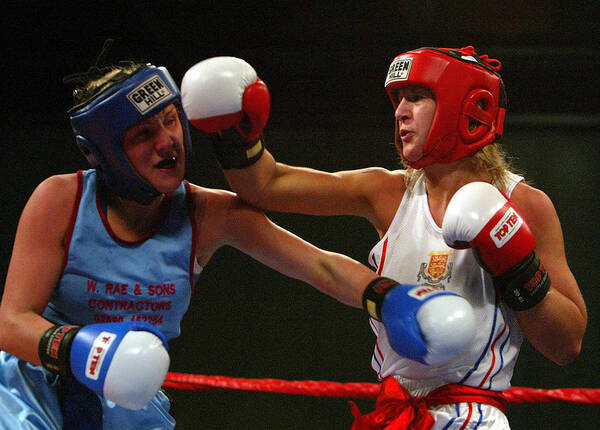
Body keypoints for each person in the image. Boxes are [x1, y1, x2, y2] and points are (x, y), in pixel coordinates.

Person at [0, 43, 478, 430]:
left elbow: (322, 266)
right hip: (32, 390)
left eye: (170, 119)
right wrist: (85, 350)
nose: (168, 141)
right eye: (144, 134)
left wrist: (393, 300)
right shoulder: (62, 200)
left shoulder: (209, 212)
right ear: (105, 154)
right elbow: (10, 320)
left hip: (129, 396)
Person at [181, 46, 588, 429]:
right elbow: (266, 185)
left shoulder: (523, 205)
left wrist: (517, 265)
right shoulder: (387, 193)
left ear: (466, 107)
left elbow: (566, 343)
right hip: (393, 412)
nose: (401, 113)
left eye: (416, 97)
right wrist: (235, 134)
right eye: (398, 100)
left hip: (476, 415)